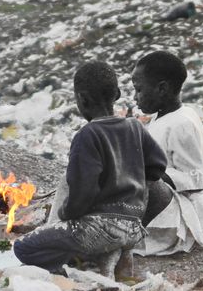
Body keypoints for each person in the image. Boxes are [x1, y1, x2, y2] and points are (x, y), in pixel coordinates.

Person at [13, 60, 169, 277]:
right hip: (134, 228)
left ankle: (69, 271)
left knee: (22, 247)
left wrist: (65, 213)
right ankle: (114, 254)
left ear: (82, 99)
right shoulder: (134, 126)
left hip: (98, 229)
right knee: (91, 234)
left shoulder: (87, 136)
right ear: (116, 94)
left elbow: (82, 194)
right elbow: (158, 167)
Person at [131, 51, 203, 256]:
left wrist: (158, 175)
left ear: (162, 89)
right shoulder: (164, 117)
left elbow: (196, 176)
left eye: (139, 90)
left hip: (184, 206)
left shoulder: (181, 124)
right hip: (167, 197)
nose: (134, 97)